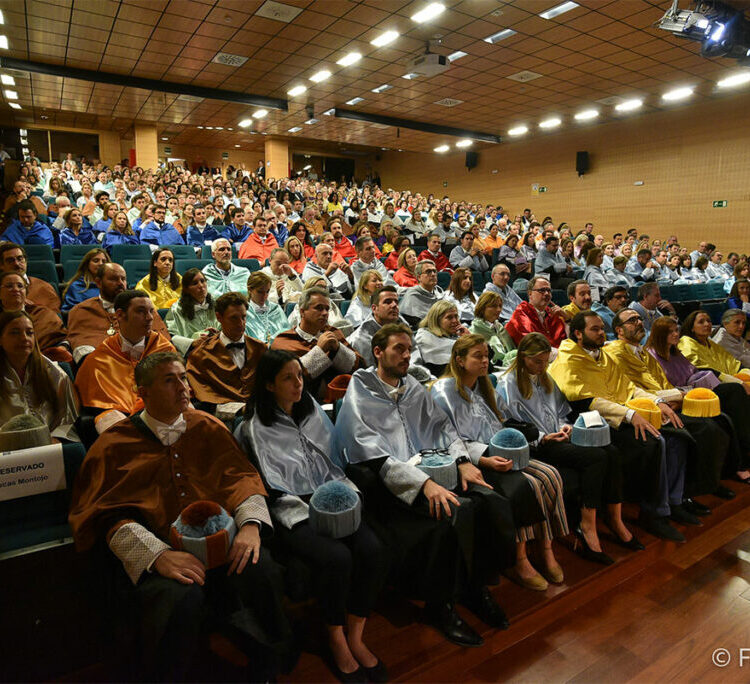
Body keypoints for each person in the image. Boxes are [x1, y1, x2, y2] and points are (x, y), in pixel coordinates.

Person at [68, 352, 293, 681]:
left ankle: (267, 664)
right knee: (179, 598)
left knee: (260, 568)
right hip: (161, 551)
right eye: (169, 380)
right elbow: (104, 515)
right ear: (142, 392)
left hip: (222, 539)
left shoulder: (207, 426)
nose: (183, 387)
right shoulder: (114, 444)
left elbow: (240, 478)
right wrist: (158, 555)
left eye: (184, 378)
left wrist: (250, 526)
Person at [336, 323, 511, 647]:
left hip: (433, 468)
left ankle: (475, 589)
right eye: (398, 349)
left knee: (490, 500)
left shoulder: (413, 386)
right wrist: (424, 484)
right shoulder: (361, 388)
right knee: (456, 513)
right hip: (389, 484)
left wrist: (462, 461)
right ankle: (440, 605)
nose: (406, 355)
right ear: (378, 351)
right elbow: (370, 453)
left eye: (408, 349)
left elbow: (444, 429)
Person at [236, 350, 388, 681]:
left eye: (300, 376)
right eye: (288, 378)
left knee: (372, 549)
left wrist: (343, 497)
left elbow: (334, 460)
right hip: (292, 507)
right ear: (269, 385)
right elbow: (268, 485)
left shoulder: (314, 413)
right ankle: (335, 637)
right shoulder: (254, 428)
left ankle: (356, 636)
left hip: (333, 495)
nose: (298, 384)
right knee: (337, 558)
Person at [433, 334, 572, 588]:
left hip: (502, 449)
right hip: (475, 459)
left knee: (551, 476)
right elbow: (447, 438)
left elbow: (505, 421)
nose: (486, 360)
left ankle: (546, 548)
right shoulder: (444, 391)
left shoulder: (484, 386)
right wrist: (484, 460)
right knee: (527, 485)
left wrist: (530, 441)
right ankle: (519, 560)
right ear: (460, 360)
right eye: (478, 356)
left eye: (487, 355)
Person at [500, 333, 642, 562]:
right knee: (595, 458)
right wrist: (545, 437)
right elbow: (510, 425)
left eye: (545, 361)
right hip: (538, 444)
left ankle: (615, 519)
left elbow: (561, 412)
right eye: (537, 361)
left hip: (559, 436)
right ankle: (586, 526)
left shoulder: (545, 377)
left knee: (612, 452)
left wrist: (567, 427)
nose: (542, 366)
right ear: (523, 357)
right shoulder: (509, 384)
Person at [549, 311, 688, 542]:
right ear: (578, 333)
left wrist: (658, 402)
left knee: (677, 434)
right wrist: (630, 414)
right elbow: (585, 400)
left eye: (602, 327)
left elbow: (629, 387)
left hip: (620, 415)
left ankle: (675, 502)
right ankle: (651, 513)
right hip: (591, 423)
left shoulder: (602, 355)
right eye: (595, 329)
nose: (602, 332)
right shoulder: (568, 358)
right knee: (652, 442)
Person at [604, 309, 732, 510]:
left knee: (720, 420)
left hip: (667, 401)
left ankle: (708, 483)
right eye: (632, 320)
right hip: (646, 408)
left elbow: (663, 385)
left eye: (639, 318)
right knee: (701, 431)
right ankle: (679, 498)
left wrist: (676, 398)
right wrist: (671, 399)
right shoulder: (613, 353)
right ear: (619, 330)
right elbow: (630, 389)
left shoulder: (643, 353)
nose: (638, 322)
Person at [646, 316, 750, 485]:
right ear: (660, 334)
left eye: (676, 330)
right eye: (670, 331)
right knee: (726, 409)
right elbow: (658, 387)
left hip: (696, 393)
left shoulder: (676, 352)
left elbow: (694, 372)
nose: (675, 334)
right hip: (678, 399)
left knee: (733, 399)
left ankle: (739, 461)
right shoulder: (652, 356)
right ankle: (737, 465)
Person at [75, 290, 176, 434]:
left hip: (165, 415)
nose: (149, 318)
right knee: (108, 420)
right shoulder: (99, 358)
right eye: (141, 311)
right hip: (121, 423)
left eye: (151, 311)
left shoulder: (165, 350)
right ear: (120, 315)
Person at [271, 287, 363, 401]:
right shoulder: (284, 340)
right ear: (302, 311)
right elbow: (289, 380)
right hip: (302, 404)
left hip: (343, 399)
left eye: (327, 309)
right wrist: (319, 350)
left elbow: (358, 367)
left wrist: (338, 349)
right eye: (319, 308)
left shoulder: (333, 333)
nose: (324, 313)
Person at [0, 310, 79, 442]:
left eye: (29, 333)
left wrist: (55, 438)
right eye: (15, 332)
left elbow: (68, 419)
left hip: (48, 445)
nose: (24, 338)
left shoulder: (55, 374)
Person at [186, 292, 267, 415]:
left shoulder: (260, 349)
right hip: (225, 419)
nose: (241, 323)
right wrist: (238, 411)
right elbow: (203, 402)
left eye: (244, 317)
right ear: (219, 317)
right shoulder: (200, 355)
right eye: (234, 318)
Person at [0, 272, 69, 361]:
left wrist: (62, 347)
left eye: (20, 286)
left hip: (41, 362)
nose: (15, 289)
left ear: (26, 292)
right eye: (9, 286)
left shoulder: (43, 314)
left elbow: (62, 338)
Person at [164, 268, 218, 355]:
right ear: (186, 289)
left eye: (202, 281)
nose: (201, 286)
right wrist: (192, 342)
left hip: (217, 348)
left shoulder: (217, 303)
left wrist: (218, 335)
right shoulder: (176, 309)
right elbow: (170, 336)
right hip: (192, 352)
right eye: (195, 283)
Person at [678, 310, 743, 381]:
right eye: (701, 322)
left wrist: (746, 373)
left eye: (709, 321)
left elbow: (733, 364)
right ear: (692, 328)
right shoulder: (686, 342)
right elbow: (699, 370)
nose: (707, 324)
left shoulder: (711, 343)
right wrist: (730, 379)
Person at [506, 276, 566, 347]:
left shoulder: (552, 313)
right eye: (542, 290)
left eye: (549, 290)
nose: (547, 293)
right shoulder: (521, 312)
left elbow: (565, 341)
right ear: (530, 293)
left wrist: (567, 319)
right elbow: (531, 344)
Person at [0, 242, 61, 313]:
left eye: (20, 259)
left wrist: (33, 308)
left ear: (26, 261)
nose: (16, 263)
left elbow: (53, 317)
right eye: (10, 260)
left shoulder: (44, 287)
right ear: (1, 265)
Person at [415, 300, 467, 377]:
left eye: (456, 316)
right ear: (436, 320)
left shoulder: (456, 335)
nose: (455, 321)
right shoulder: (424, 337)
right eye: (449, 317)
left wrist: (468, 337)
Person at [469, 291, 516, 366]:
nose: (498, 310)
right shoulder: (474, 331)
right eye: (493, 306)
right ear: (482, 308)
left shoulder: (500, 328)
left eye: (500, 306)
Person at [244, 272, 289, 344]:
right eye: (260, 292)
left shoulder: (275, 308)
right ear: (250, 289)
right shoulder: (244, 312)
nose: (264, 296)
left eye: (267, 291)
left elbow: (286, 332)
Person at [61, 248, 109, 313]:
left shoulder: (111, 285)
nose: (100, 264)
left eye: (104, 261)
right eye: (96, 260)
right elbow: (70, 312)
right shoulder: (76, 286)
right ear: (87, 264)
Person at [399, 260, 444, 329]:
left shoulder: (440, 293)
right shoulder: (412, 295)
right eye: (428, 272)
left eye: (434, 271)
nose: (433, 274)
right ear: (419, 277)